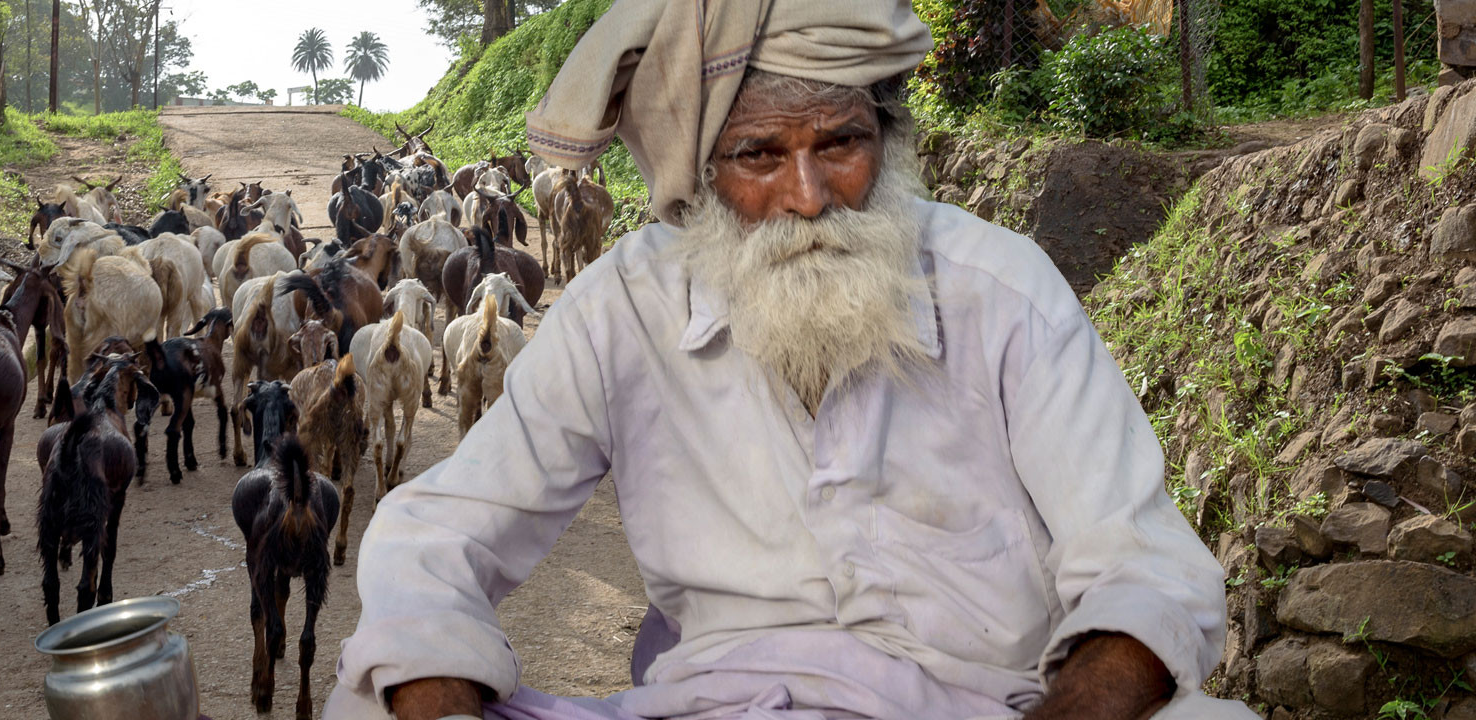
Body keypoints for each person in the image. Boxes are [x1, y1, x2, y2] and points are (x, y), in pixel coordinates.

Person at [328, 2, 1256, 719]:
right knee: (376, 697)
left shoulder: (1002, 290)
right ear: (699, 171)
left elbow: (1144, 567)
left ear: (886, 140)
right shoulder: (628, 307)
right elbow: (441, 533)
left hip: (993, 700)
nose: (808, 197)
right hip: (716, 699)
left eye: (840, 144)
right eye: (760, 154)